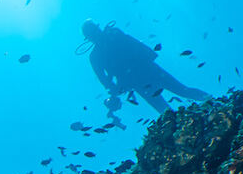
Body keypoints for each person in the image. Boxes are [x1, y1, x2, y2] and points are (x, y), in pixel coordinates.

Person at [80, 20, 210, 126]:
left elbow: (105, 80)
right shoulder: (99, 52)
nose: (96, 34)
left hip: (144, 73)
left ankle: (211, 102)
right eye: (93, 33)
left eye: (95, 32)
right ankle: (190, 123)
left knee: (178, 95)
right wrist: (115, 90)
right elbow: (105, 80)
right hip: (143, 76)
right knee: (169, 105)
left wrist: (115, 90)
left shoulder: (111, 37)